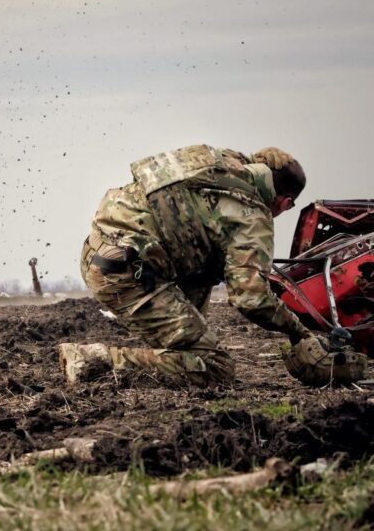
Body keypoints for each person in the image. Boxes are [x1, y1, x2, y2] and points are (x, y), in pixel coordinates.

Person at [59, 144, 312, 387]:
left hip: (100, 249)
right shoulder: (252, 216)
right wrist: (299, 332)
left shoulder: (223, 166)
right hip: (129, 275)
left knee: (203, 278)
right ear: (285, 203)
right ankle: (92, 361)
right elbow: (251, 298)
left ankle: (177, 350)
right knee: (215, 367)